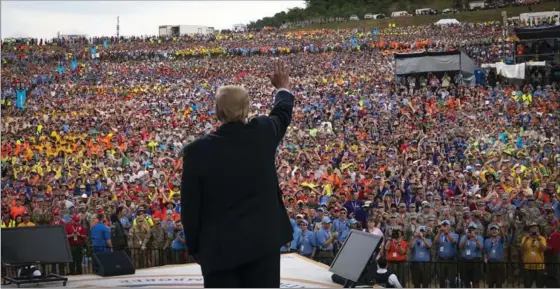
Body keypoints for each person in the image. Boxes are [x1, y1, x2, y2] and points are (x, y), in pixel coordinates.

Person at [181, 60, 294, 288]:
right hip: (263, 246)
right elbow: (282, 113)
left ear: (217, 110)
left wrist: (194, 247)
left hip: (218, 250)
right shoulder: (262, 133)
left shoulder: (196, 151)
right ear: (247, 109)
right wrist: (282, 88)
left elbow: (190, 208)